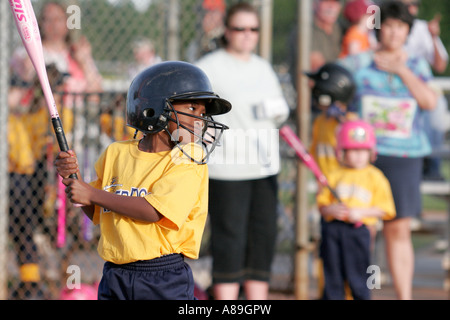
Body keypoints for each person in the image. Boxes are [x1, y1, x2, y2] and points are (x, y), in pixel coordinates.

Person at [53, 61, 231, 300]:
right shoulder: (116, 153)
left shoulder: (189, 158)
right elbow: (97, 211)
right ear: (155, 107)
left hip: (163, 276)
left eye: (202, 113)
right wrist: (72, 181)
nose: (200, 119)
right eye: (192, 107)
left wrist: (91, 193)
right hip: (115, 275)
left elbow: (154, 211)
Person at [339, 1, 437, 299]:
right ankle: (362, 292)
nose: (394, 33)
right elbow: (335, 93)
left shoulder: (417, 64)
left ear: (408, 31)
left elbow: (429, 102)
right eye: (389, 26)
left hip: (404, 156)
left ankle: (403, 295)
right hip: (364, 157)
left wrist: (401, 70)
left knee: (398, 229)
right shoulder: (358, 63)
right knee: (362, 229)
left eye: (401, 27)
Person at [195, 2, 290, 300]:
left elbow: (280, 112)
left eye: (253, 29)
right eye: (240, 28)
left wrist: (279, 110)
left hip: (263, 167)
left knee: (262, 238)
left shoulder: (263, 67)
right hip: (227, 167)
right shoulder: (210, 66)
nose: (247, 35)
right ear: (227, 31)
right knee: (229, 239)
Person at [317, 120, 396, 300]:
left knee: (359, 277)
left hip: (358, 231)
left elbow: (386, 209)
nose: (359, 155)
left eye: (363, 150)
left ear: (371, 152)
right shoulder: (334, 175)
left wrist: (361, 213)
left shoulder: (376, 177)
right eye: (353, 150)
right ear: (342, 152)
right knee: (333, 277)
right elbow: (322, 205)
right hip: (333, 231)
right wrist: (331, 209)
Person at [400, 0, 449, 181]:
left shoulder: (422, 28)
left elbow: (440, 65)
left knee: (435, 111)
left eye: (415, 4)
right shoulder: (382, 23)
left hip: (420, 89)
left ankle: (432, 167)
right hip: (396, 90)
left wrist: (434, 37)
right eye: (407, 4)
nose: (412, 8)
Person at [306, 62, 357, 179]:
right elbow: (314, 150)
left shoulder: (350, 121)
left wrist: (342, 120)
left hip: (344, 182)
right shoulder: (320, 120)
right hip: (324, 181)